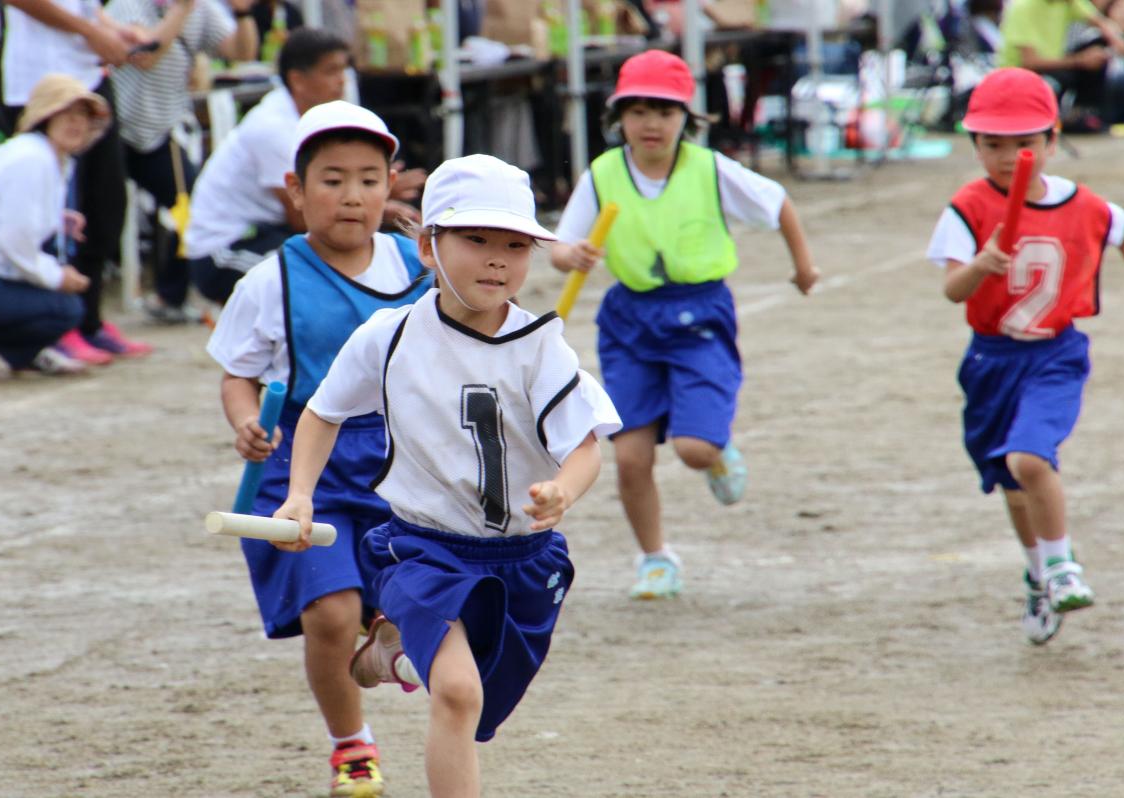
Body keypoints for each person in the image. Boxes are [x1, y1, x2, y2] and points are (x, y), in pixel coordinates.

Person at [273, 154, 621, 798]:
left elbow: (587, 447)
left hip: (524, 554)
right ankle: (411, 644)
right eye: (476, 240)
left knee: (482, 695)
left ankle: (395, 651)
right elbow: (322, 412)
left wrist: (563, 491)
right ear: (429, 247)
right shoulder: (389, 335)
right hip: (423, 547)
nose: (497, 260)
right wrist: (299, 496)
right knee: (458, 695)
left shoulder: (542, 345)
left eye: (515, 245)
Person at [205, 100, 432, 797]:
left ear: (391, 184)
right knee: (327, 613)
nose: (353, 195)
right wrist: (246, 421)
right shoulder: (268, 280)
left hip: (404, 465)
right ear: (295, 191)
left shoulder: (416, 263)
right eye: (331, 179)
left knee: (419, 609)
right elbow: (237, 375)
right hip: (306, 462)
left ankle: (383, 630)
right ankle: (352, 746)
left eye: (369, 177)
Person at [549, 49, 819, 600]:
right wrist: (568, 254)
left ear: (687, 119)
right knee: (628, 455)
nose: (651, 123)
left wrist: (804, 266)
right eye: (638, 110)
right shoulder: (602, 174)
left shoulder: (710, 168)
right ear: (617, 117)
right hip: (629, 321)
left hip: (700, 314)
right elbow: (557, 243)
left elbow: (779, 204)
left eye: (665, 111)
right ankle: (655, 559)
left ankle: (716, 451)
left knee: (696, 449)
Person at [926, 67, 1124, 645]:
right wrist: (979, 267)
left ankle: (1062, 565)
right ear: (975, 145)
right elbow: (951, 290)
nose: (1010, 157)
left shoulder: (1081, 204)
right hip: (990, 360)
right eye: (993, 144)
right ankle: (1039, 573)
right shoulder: (968, 205)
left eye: (1025, 142)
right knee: (1012, 484)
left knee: (1031, 459)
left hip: (1054, 354)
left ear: (1053, 140)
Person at [1, 0, 154, 363]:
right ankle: (57, 325)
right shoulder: (32, 154)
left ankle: (87, 321)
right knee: (57, 218)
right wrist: (91, 32)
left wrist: (108, 30)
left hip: (87, 74)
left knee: (104, 208)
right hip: (40, 79)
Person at [106, 0, 259, 322]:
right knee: (104, 215)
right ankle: (89, 314)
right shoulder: (129, 6)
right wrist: (180, 11)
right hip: (112, 127)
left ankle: (169, 296)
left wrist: (243, 13)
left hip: (161, 130)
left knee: (190, 208)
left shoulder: (201, 10)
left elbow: (241, 53)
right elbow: (145, 55)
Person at [184, 27, 349, 305]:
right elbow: (302, 216)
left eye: (343, 70)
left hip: (269, 233)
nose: (342, 81)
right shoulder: (273, 127)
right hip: (222, 252)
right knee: (330, 268)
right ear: (298, 80)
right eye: (331, 71)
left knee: (353, 252)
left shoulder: (313, 118)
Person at [0, 74, 110, 377]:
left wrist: (55, 220)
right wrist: (56, 277)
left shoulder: (46, 156)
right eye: (65, 114)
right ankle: (18, 352)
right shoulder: (33, 159)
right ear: (46, 118)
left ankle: (20, 354)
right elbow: (13, 239)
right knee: (64, 308)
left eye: (82, 116)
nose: (76, 124)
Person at [998, 0, 1124, 130]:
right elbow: (1029, 62)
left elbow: (1100, 22)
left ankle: (1086, 113)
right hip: (1019, 76)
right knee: (1055, 80)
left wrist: (1117, 38)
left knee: (1098, 46)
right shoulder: (1023, 7)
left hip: (1055, 67)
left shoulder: (1067, 2)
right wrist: (1079, 60)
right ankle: (1054, 117)